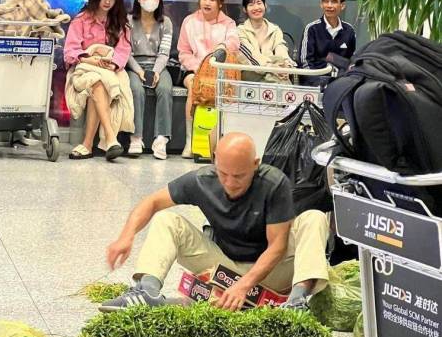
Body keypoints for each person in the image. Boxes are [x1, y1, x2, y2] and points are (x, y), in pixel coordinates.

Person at [99, 132, 329, 313]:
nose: (230, 182)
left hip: (271, 271)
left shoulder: (273, 183)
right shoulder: (202, 180)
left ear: (255, 164)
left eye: (239, 176)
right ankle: (147, 291)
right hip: (224, 266)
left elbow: (277, 246)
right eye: (223, 173)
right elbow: (151, 202)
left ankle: (296, 302)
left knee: (314, 217)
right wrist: (126, 236)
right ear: (214, 162)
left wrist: (244, 286)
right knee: (167, 220)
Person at [64, 0, 132, 161]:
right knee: (96, 80)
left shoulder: (120, 22)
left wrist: (111, 62)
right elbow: (70, 52)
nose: (107, 2)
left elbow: (123, 51)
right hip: (83, 69)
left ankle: (87, 144)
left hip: (110, 71)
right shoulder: (81, 20)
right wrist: (91, 59)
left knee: (99, 82)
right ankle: (111, 138)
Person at [177, 0, 240, 158]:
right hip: (194, 71)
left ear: (220, 3)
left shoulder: (228, 23)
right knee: (193, 87)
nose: (207, 2)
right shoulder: (189, 21)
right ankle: (190, 141)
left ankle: (219, 142)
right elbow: (183, 52)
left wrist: (222, 47)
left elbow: (234, 44)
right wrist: (199, 68)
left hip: (220, 73)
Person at [126, 0, 173, 160]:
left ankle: (161, 139)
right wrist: (140, 72)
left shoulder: (165, 22)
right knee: (136, 89)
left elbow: (164, 52)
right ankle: (136, 138)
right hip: (134, 66)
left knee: (165, 89)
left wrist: (155, 72)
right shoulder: (128, 21)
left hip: (158, 66)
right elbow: (126, 52)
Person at [298, 0, 356, 86]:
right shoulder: (311, 29)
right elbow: (305, 62)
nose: (329, 5)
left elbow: (351, 61)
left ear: (342, 6)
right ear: (321, 4)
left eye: (333, 1)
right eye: (325, 1)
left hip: (340, 84)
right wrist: (318, 82)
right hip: (314, 83)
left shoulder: (349, 31)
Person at [237, 0, 295, 83]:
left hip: (275, 72)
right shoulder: (240, 31)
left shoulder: (275, 29)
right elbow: (250, 56)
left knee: (281, 70)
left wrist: (285, 65)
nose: (256, 8)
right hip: (251, 74)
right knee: (279, 81)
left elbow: (281, 47)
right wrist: (272, 68)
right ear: (245, 9)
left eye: (259, 3)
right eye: (251, 5)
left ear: (265, 5)